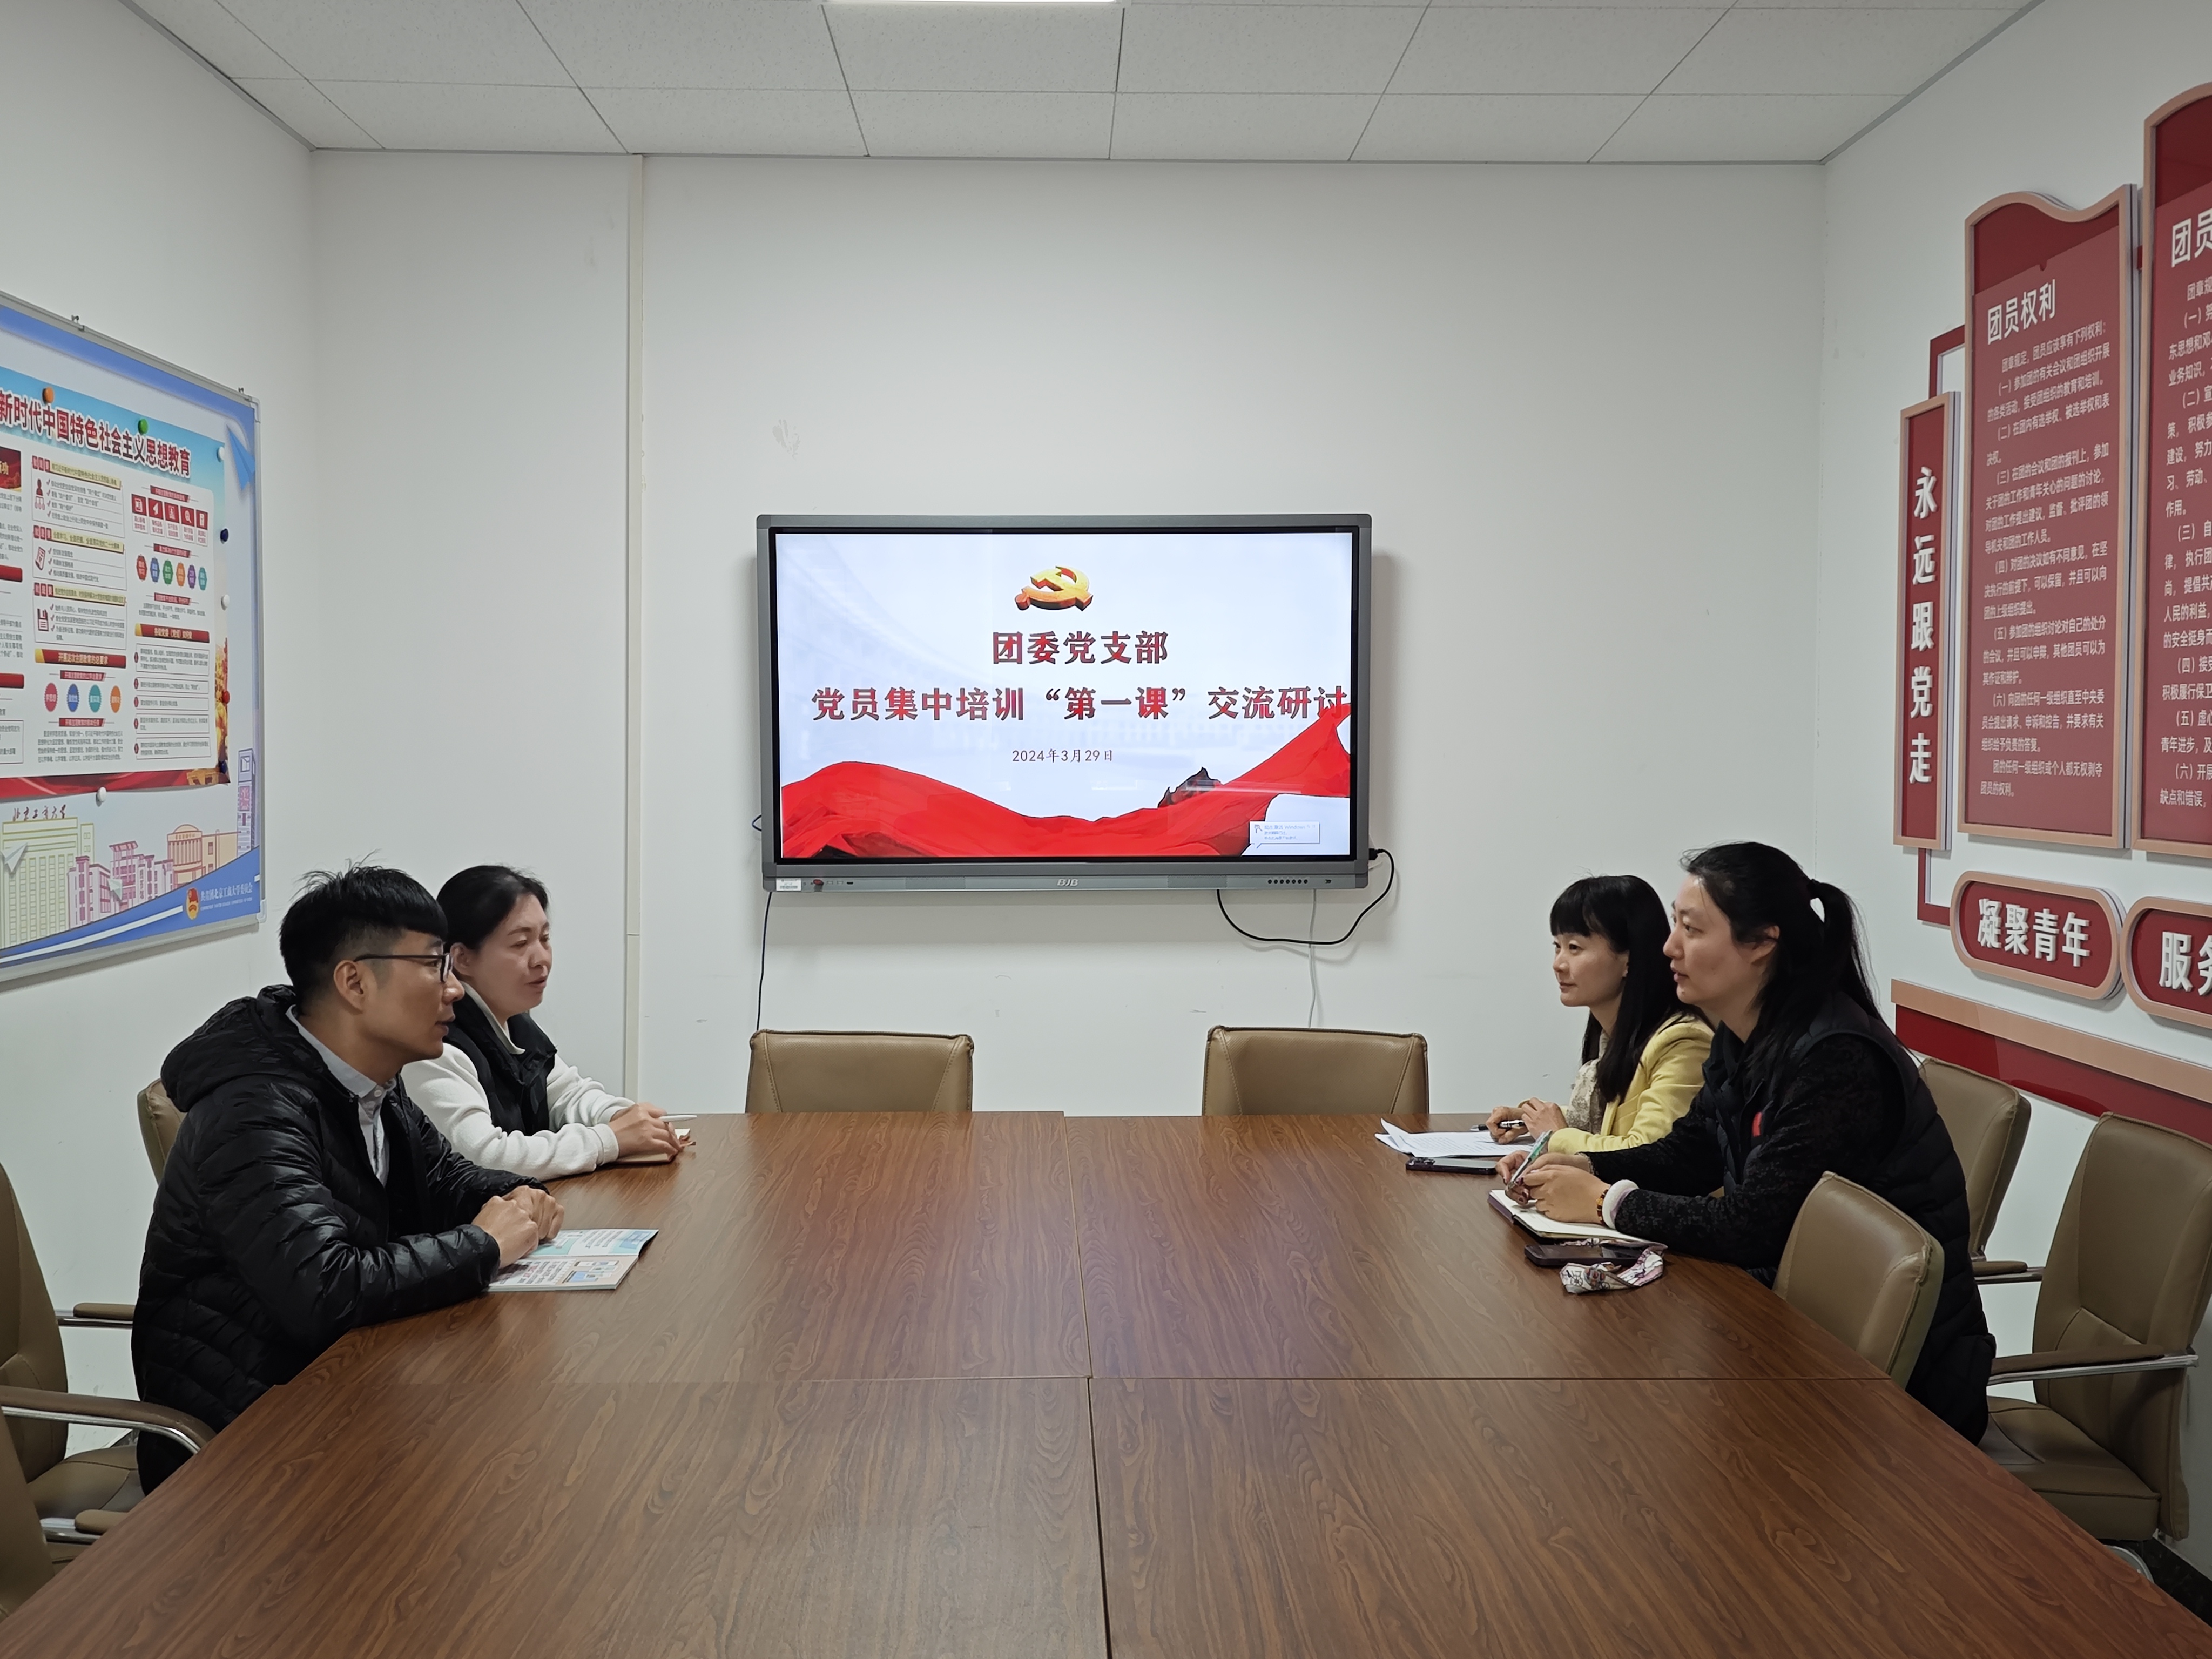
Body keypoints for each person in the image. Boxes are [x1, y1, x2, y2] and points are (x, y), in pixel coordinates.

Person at [1510, 843, 1993, 1440]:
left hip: (1896, 1393)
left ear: (1762, 942)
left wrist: (1606, 1201)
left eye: (1691, 929)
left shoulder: (1837, 1060)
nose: (1669, 948)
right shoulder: (1745, 1037)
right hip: (1791, 1337)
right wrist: (1582, 1162)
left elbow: (1751, 1226)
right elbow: (1690, 1153)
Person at [134, 867, 565, 1489]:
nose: (453, 990)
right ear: (355, 982)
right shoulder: (253, 1113)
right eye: (434, 966)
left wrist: (517, 1197)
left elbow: (451, 1181)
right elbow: (324, 1288)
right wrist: (485, 1243)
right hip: (250, 1447)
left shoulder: (373, 1085)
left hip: (358, 1391)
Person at [401, 866, 683, 1177]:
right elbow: (483, 1156)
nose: (542, 959)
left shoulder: (515, 1023)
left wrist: (625, 1118)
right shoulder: (435, 1043)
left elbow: (568, 1094)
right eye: (520, 944)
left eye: (545, 939)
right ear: (462, 959)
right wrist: (609, 1140)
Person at [1482, 874, 1710, 1157]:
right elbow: (1609, 1122)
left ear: (1629, 960)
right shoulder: (1613, 1035)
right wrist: (1528, 1119)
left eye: (1574, 948)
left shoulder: (1683, 1042)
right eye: (1557, 946)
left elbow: (1647, 1154)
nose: (1558, 964)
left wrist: (1556, 1136)